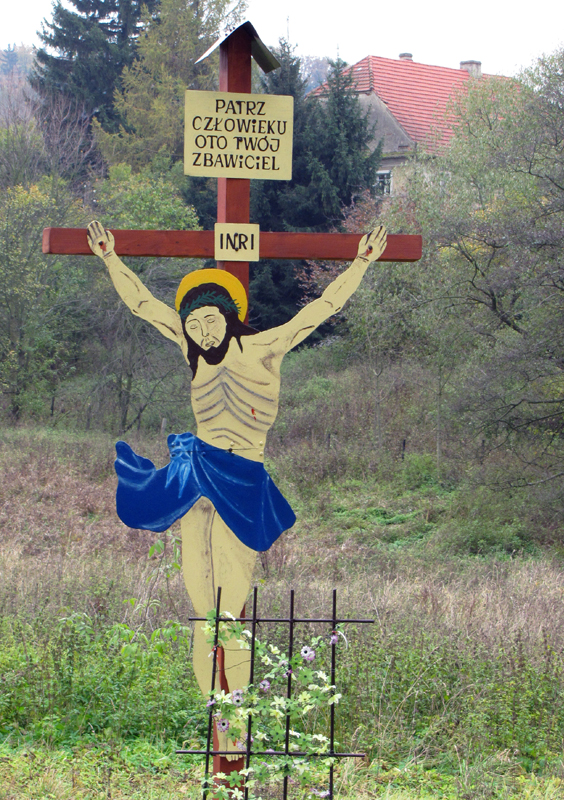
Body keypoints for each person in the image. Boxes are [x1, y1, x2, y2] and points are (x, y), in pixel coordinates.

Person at [87, 220, 386, 754]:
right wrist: (111, 258)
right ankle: (219, 723)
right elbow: (144, 305)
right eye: (193, 324)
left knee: (229, 614)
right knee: (202, 611)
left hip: (242, 477)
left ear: (229, 316)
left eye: (209, 321)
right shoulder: (191, 350)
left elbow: (321, 309)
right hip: (196, 472)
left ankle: (238, 727)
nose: (202, 333)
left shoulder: (265, 348)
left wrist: (361, 262)